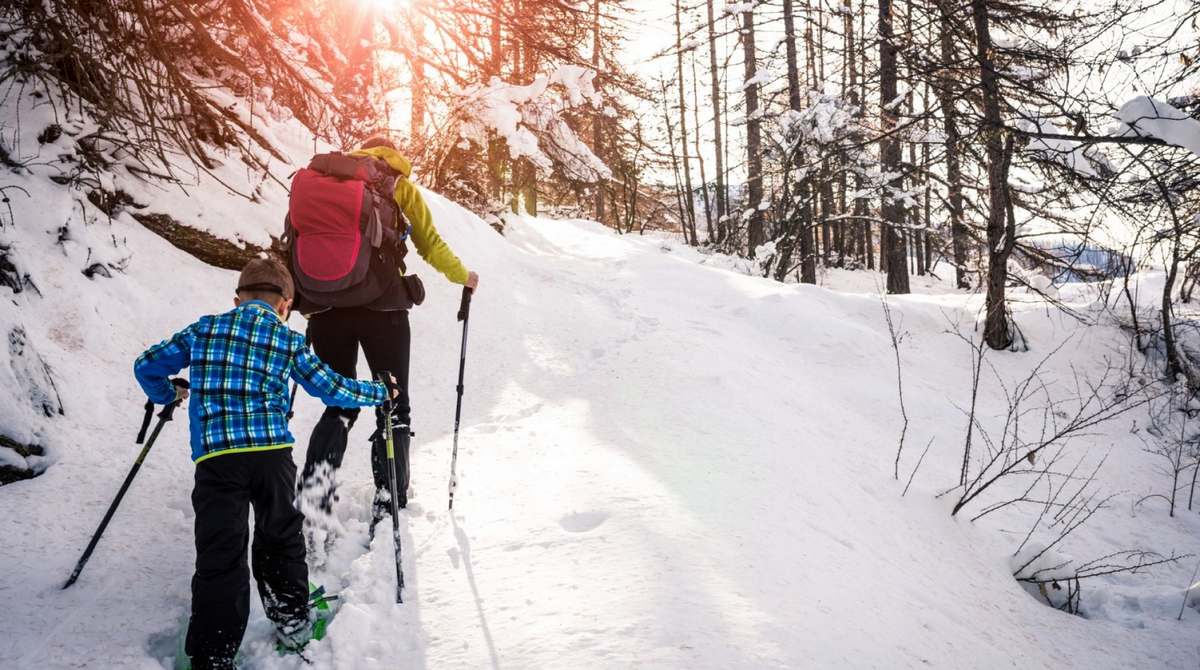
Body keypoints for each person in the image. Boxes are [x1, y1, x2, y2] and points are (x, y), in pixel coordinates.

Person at [133, 258, 395, 670]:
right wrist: (379, 392)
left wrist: (167, 394)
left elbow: (146, 365)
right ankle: (293, 623)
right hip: (271, 457)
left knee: (220, 554)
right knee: (280, 539)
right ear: (285, 305)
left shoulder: (203, 330)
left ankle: (213, 656)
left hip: (217, 461)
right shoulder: (286, 338)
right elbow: (331, 389)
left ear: (237, 299)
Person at [297, 134, 479, 521]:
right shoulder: (396, 185)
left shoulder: (323, 181)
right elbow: (430, 244)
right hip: (384, 308)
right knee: (393, 402)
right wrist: (463, 275)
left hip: (326, 307)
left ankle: (315, 492)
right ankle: (389, 496)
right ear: (390, 154)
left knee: (339, 401)